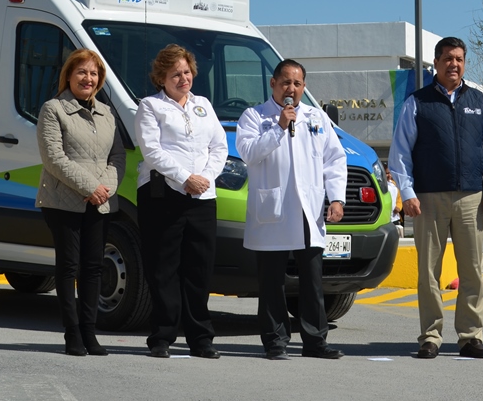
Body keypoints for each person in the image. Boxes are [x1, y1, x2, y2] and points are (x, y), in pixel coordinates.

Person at [389, 37, 483, 359]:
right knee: (429, 272)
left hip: (471, 196)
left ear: (464, 63)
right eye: (448, 59)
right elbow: (400, 154)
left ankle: (470, 336)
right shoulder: (418, 102)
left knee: (471, 270)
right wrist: (408, 193)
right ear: (436, 63)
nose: (454, 64)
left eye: (459, 59)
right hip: (427, 198)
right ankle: (430, 337)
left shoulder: (480, 101)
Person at [236, 59, 347, 360]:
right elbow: (248, 153)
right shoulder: (254, 117)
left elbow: (334, 159)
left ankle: (314, 341)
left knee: (312, 280)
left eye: (297, 83)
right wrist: (280, 127)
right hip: (274, 211)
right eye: (286, 82)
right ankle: (275, 340)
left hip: (307, 210)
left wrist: (336, 198)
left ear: (304, 87)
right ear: (273, 84)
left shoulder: (316, 117)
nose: (291, 89)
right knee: (271, 281)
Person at [135, 45, 227, 359]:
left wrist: (204, 178)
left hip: (202, 196)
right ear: (162, 77)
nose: (183, 78)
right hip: (163, 196)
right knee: (163, 269)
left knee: (199, 270)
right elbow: (152, 151)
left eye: (187, 72)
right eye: (176, 73)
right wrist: (185, 177)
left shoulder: (204, 105)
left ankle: (201, 339)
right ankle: (162, 337)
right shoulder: (150, 107)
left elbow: (219, 147)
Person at [36, 49, 125, 356]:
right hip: (63, 201)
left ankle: (90, 332)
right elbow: (53, 158)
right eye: (82, 72)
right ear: (69, 76)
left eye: (94, 73)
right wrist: (90, 187)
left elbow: (118, 157)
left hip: (99, 202)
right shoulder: (53, 109)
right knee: (69, 266)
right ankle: (72, 333)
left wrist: (105, 189)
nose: (88, 78)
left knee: (93, 268)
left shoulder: (107, 114)